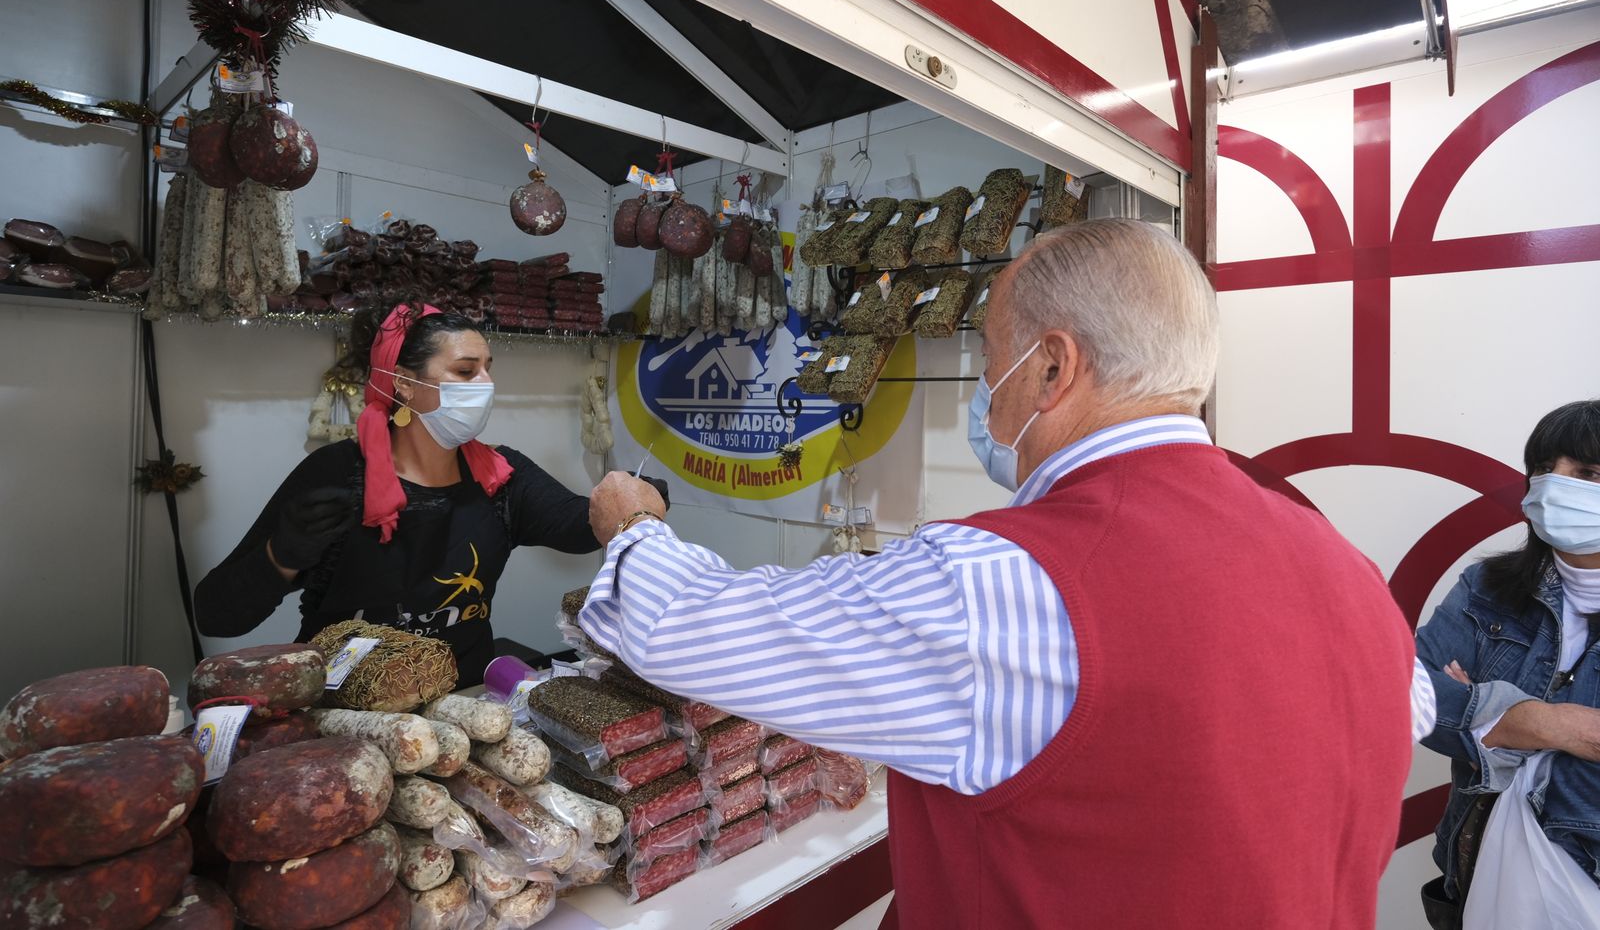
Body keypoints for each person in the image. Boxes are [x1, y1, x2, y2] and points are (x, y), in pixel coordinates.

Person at [579, 218, 1419, 928]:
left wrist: (635, 526)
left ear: (1054, 368)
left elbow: (684, 628)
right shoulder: (1347, 568)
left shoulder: (1000, 581)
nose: (987, 389)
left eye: (990, 356)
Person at [195, 300, 640, 685]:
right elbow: (219, 616)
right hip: (345, 704)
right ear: (405, 383)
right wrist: (281, 558)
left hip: (461, 701)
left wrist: (634, 503)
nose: (484, 384)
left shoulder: (502, 476)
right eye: (466, 371)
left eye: (488, 369)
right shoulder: (338, 473)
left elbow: (580, 529)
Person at [1414, 400, 1600, 930]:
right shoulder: (1488, 589)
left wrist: (1479, 714)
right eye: (1544, 469)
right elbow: (1407, 692)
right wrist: (1543, 723)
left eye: (1587, 473)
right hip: (1476, 878)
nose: (1554, 486)